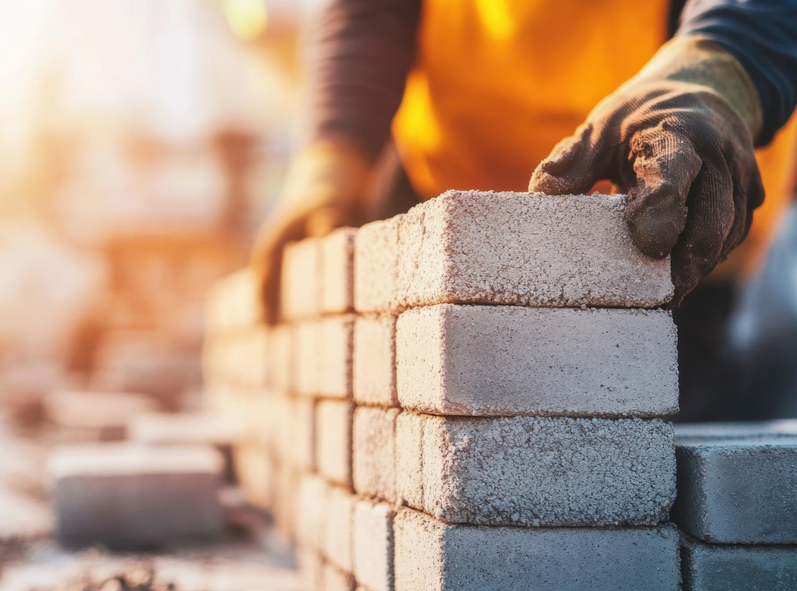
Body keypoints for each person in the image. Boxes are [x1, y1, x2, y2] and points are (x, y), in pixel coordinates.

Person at [252, 0, 797, 420]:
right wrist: (333, 151)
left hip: (676, 203)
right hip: (454, 181)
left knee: (663, 471)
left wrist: (720, 63)